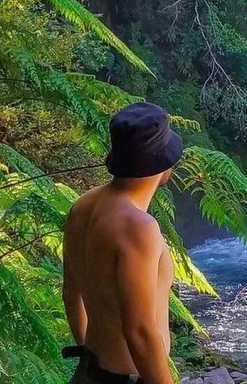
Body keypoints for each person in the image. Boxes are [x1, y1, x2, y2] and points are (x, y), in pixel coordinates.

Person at [62, 102, 184, 384]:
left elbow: (71, 293)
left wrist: (88, 354)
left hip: (91, 371)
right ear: (164, 163)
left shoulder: (82, 205)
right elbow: (139, 332)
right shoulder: (138, 228)